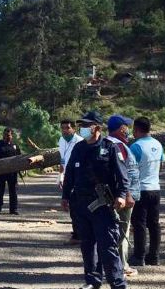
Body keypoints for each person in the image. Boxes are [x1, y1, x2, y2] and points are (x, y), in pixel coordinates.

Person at [62, 111, 128, 289]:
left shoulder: (110, 147)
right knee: (87, 245)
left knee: (107, 246)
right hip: (81, 204)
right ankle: (92, 281)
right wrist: (65, 196)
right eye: (81, 125)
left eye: (86, 125)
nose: (82, 128)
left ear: (97, 127)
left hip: (102, 205)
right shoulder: (78, 147)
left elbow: (122, 177)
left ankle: (117, 283)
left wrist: (121, 196)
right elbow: (69, 174)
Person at [106, 115, 140, 278]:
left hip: (116, 196)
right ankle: (119, 266)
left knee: (117, 231)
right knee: (121, 231)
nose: (128, 130)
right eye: (126, 127)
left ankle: (116, 265)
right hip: (122, 198)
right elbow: (121, 174)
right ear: (121, 128)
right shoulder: (117, 145)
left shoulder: (109, 143)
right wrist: (127, 195)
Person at [129, 116, 164, 267]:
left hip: (141, 189)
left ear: (136, 129)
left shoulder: (136, 147)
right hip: (155, 188)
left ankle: (139, 256)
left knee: (139, 224)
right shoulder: (158, 144)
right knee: (154, 223)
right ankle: (154, 256)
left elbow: (130, 170)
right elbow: (161, 166)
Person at [59, 118, 83, 245]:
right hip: (68, 175)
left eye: (67, 128)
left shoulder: (80, 141)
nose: (65, 131)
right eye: (63, 128)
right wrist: (60, 176)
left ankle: (79, 234)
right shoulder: (61, 140)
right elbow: (62, 159)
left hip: (78, 175)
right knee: (71, 206)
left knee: (77, 206)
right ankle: (77, 233)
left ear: (73, 128)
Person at [0, 127, 22, 215]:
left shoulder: (15, 146)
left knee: (13, 191)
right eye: (5, 135)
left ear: (12, 135)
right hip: (1, 172)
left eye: (8, 135)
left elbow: (20, 158)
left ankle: (13, 209)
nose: (6, 136)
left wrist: (21, 169)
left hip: (12, 173)